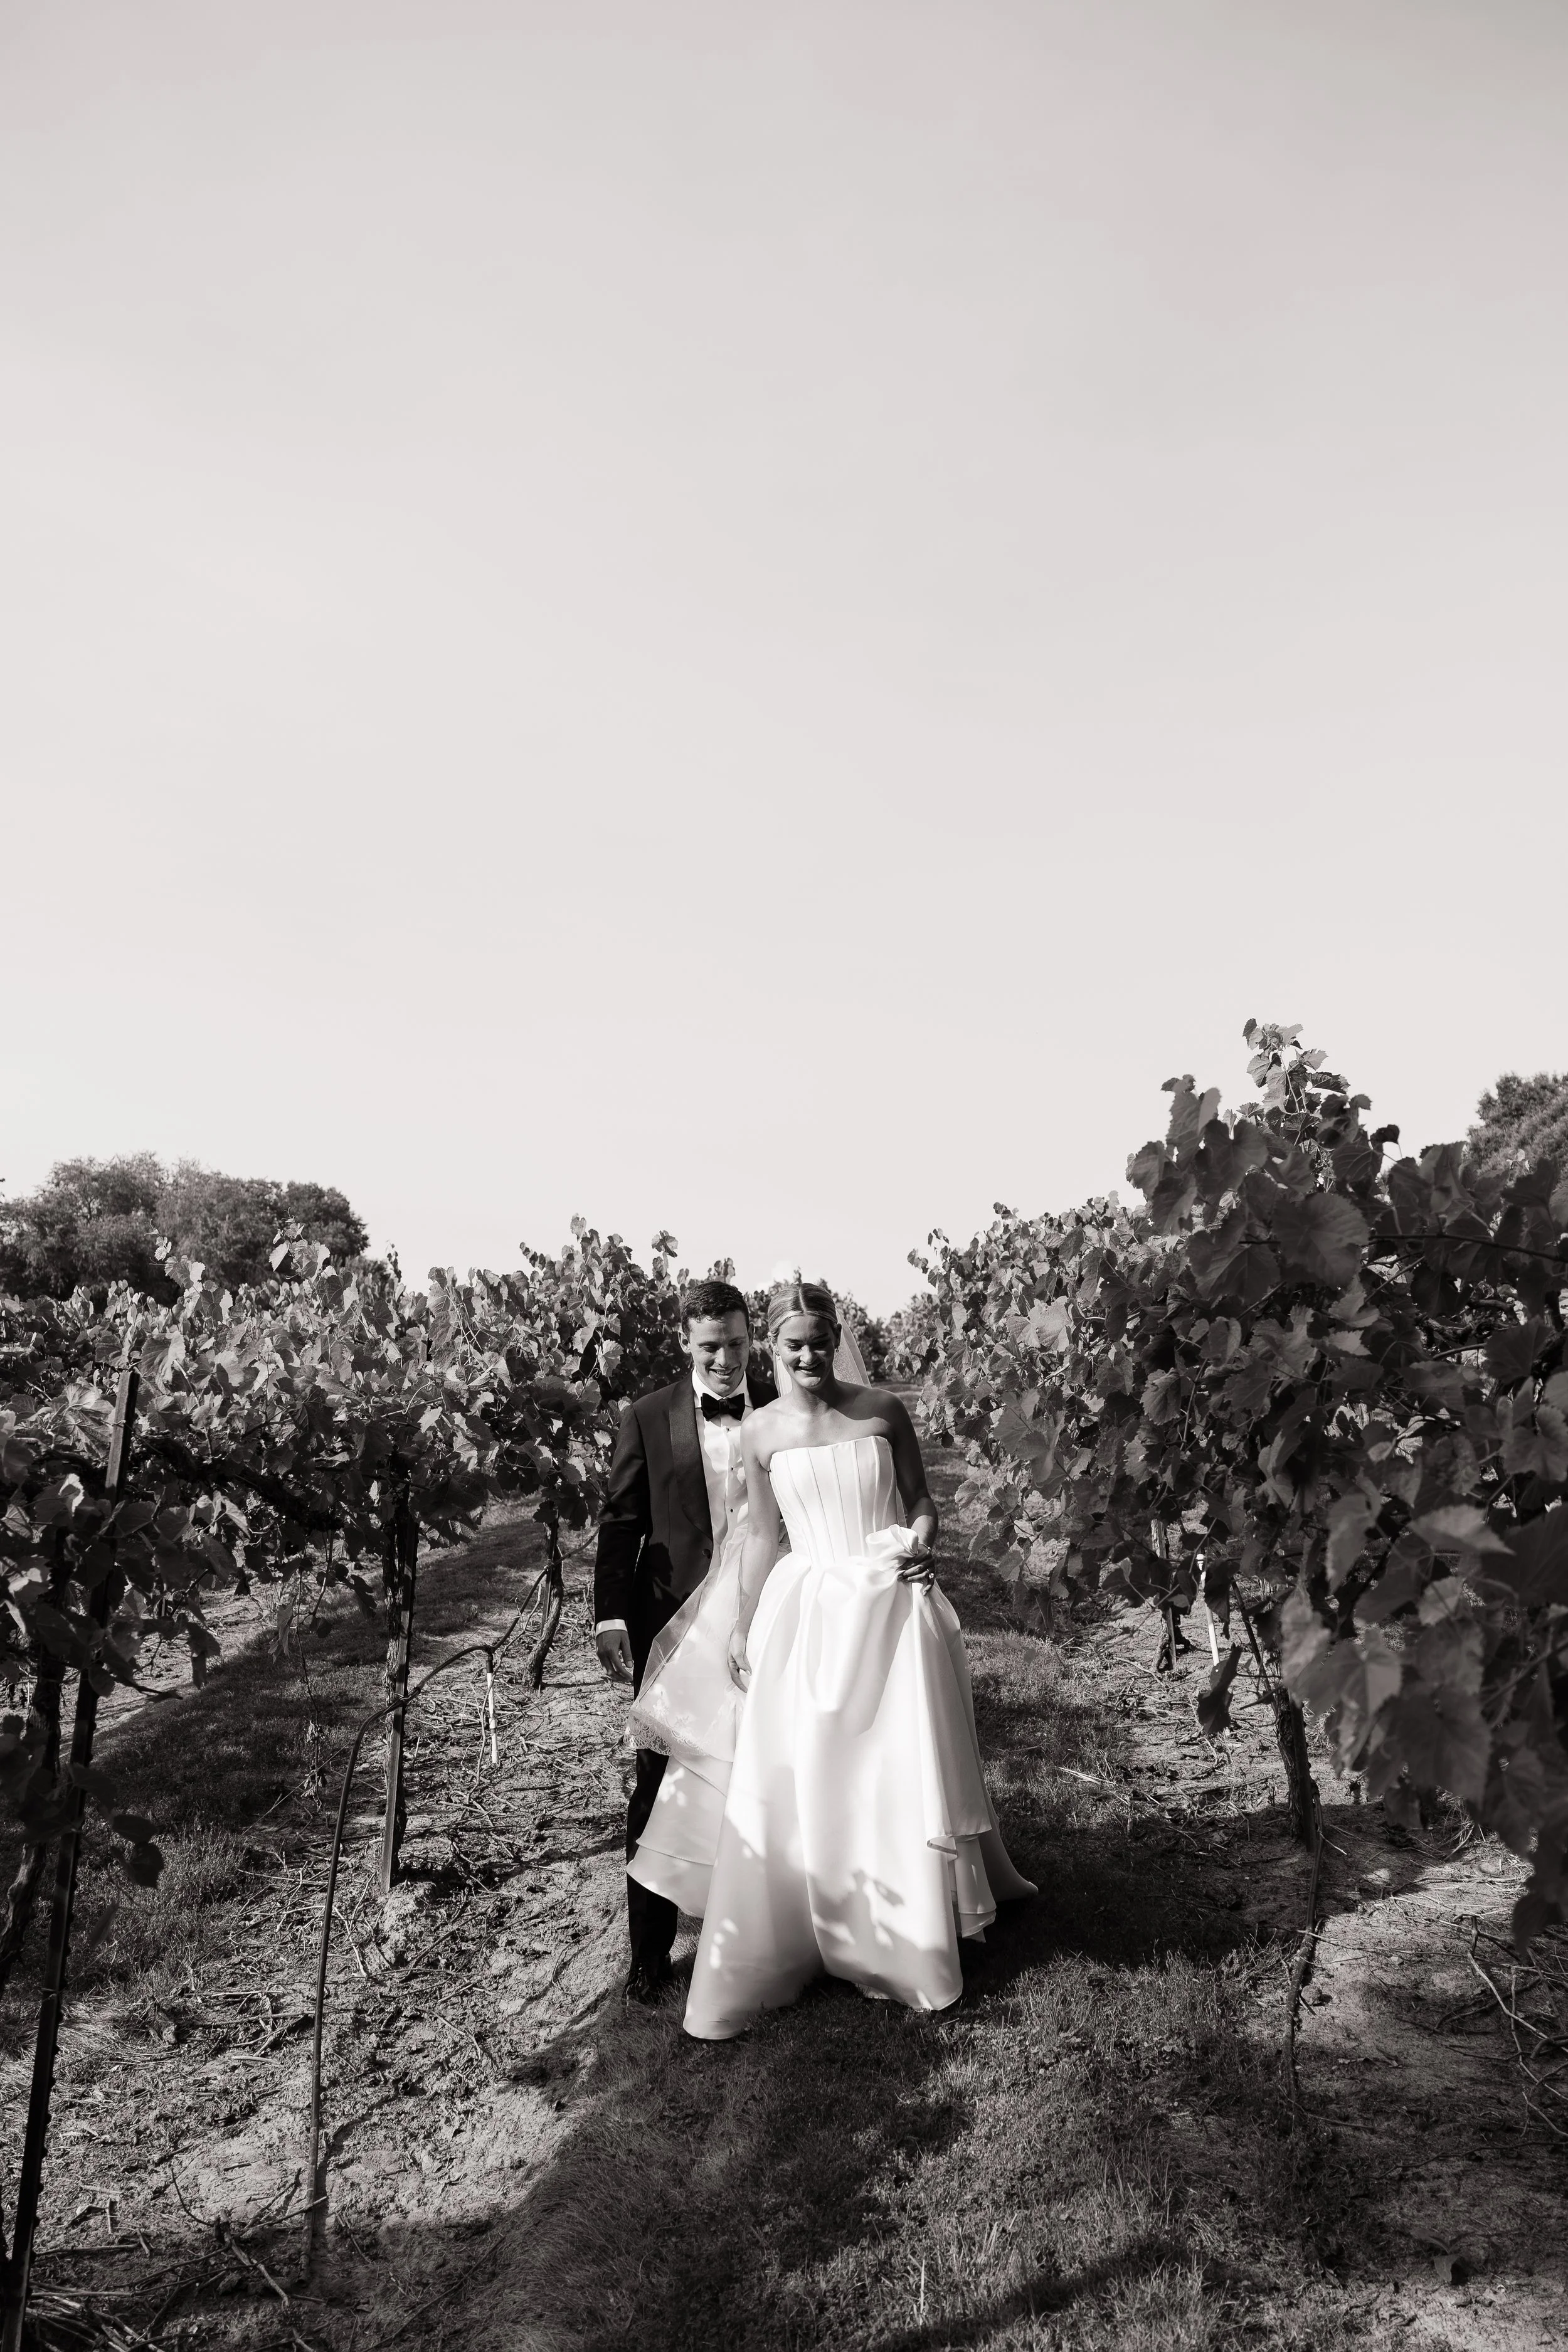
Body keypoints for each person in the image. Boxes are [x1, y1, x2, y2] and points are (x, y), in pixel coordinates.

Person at [682, 1277, 1034, 2041]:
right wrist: (744, 1624)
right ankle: (822, 1924)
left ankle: (913, 1931)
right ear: (772, 1348)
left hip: (889, 1601)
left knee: (896, 1764)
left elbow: (921, 1500)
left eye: (820, 1341)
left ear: (837, 1338)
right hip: (809, 1611)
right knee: (817, 1771)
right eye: (793, 1345)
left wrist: (923, 1540)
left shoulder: (881, 1411)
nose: (808, 1356)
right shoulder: (761, 1433)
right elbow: (763, 1536)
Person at [593, 1278, 773, 2001]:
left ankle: (770, 1932)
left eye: (736, 1344)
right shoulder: (647, 1416)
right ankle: (648, 1958)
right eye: (710, 1347)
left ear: (751, 1337)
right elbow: (620, 1523)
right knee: (658, 1781)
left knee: (771, 1771)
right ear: (684, 1342)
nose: (726, 1361)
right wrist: (610, 1615)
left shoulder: (782, 1405)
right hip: (674, 1623)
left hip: (769, 1613)